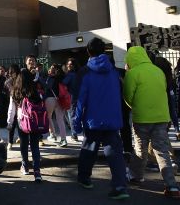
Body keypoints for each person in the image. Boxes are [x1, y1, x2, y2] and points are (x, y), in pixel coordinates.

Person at [74, 37, 129, 199]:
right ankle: (120, 186)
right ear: (104, 51)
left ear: (88, 51)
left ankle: (84, 178)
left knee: (89, 150)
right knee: (115, 154)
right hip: (113, 119)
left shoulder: (85, 72)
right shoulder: (114, 70)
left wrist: (76, 122)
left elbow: (79, 100)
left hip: (93, 120)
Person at [123, 46, 179, 198]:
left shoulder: (132, 73)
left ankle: (136, 176)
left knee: (140, 149)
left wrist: (134, 106)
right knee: (162, 151)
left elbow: (128, 96)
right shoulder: (158, 71)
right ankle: (172, 186)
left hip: (142, 118)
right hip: (162, 117)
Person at [7, 71, 44, 182]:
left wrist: (9, 123)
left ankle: (25, 166)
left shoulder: (15, 91)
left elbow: (11, 109)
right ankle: (37, 172)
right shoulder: (34, 90)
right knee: (35, 146)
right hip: (34, 121)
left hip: (21, 121)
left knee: (23, 144)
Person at [45, 63, 68, 147]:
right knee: (60, 120)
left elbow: (47, 86)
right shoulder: (62, 77)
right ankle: (63, 139)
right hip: (60, 99)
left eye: (51, 67)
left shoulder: (51, 77)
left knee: (48, 117)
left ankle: (53, 134)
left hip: (50, 99)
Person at [5, 64, 22, 149]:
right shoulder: (10, 81)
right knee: (12, 124)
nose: (12, 74)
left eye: (13, 72)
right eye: (11, 72)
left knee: (20, 124)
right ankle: (10, 142)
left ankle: (20, 139)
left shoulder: (20, 79)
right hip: (14, 104)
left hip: (20, 105)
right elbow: (7, 85)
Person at [62, 58, 79, 142]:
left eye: (71, 64)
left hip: (71, 98)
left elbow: (63, 83)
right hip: (78, 97)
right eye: (68, 64)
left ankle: (74, 134)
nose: (69, 65)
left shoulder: (70, 75)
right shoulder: (77, 74)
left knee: (71, 116)